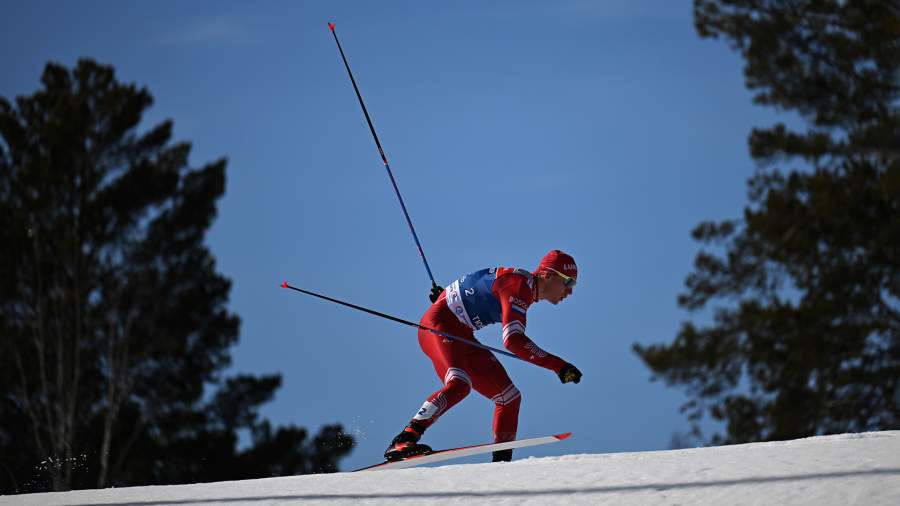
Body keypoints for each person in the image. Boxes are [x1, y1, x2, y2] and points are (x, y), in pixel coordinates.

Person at [384, 250, 583, 463]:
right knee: (459, 384)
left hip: (460, 332)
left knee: (509, 398)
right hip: (439, 326)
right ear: (548, 274)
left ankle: (502, 463)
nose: (569, 292)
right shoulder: (519, 287)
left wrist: (448, 297)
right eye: (568, 283)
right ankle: (404, 439)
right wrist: (558, 365)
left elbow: (479, 284)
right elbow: (513, 340)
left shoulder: (523, 286)